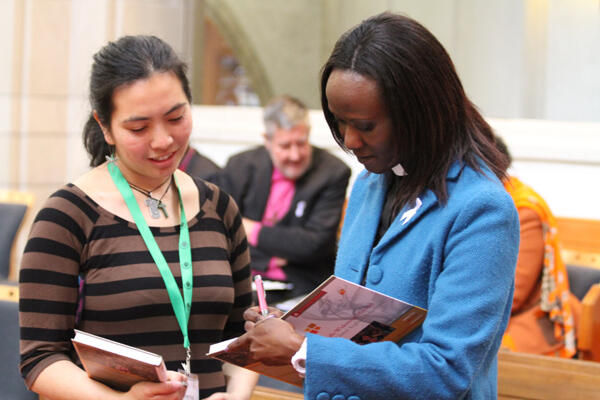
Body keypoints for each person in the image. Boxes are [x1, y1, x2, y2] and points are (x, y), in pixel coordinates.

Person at [228, 12, 520, 400]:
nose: (349, 140)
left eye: (365, 126)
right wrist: (294, 329)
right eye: (338, 121)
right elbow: (359, 324)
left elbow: (446, 371)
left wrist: (303, 350)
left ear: (418, 114)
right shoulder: (369, 184)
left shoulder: (481, 210)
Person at [18, 35, 258, 400]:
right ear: (105, 126)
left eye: (176, 117)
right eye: (139, 128)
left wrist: (237, 397)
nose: (163, 141)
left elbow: (243, 336)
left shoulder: (219, 207)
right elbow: (40, 358)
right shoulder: (66, 216)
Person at [218, 95, 351, 304]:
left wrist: (250, 229)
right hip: (246, 283)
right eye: (285, 146)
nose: (295, 155)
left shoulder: (332, 172)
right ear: (267, 141)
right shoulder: (239, 167)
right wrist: (273, 255)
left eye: (301, 143)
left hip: (301, 287)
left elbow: (313, 245)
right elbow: (220, 234)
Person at [495, 136, 582, 358]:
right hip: (490, 310)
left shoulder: (525, 210)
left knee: (476, 352)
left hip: (532, 319)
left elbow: (512, 295)